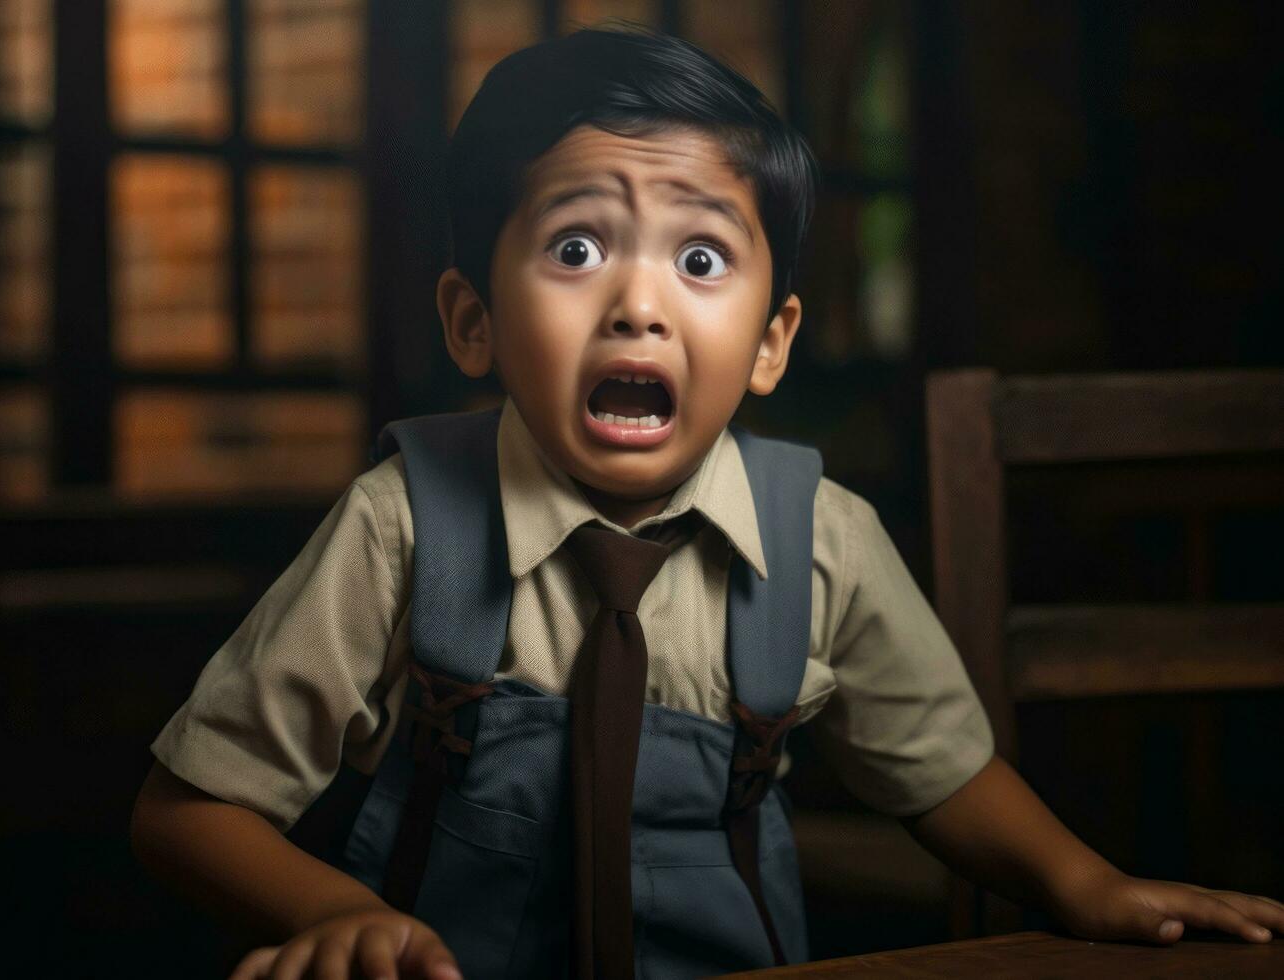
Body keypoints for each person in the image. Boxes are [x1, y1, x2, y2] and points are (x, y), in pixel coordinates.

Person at [130, 24, 1283, 980]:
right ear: (471, 320)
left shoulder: (820, 538)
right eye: (576, 245)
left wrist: (1086, 883)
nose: (638, 304)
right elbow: (187, 809)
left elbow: (940, 769)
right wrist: (336, 914)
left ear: (772, 340)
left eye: (699, 261)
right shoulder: (402, 523)